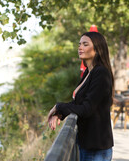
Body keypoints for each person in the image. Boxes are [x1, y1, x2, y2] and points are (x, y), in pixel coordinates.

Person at [47, 32, 114, 161]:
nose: (80, 47)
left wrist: (58, 106)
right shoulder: (90, 72)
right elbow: (79, 104)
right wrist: (60, 113)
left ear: (97, 49)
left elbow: (87, 109)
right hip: (86, 144)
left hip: (97, 148)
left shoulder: (101, 73)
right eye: (79, 44)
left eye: (85, 44)